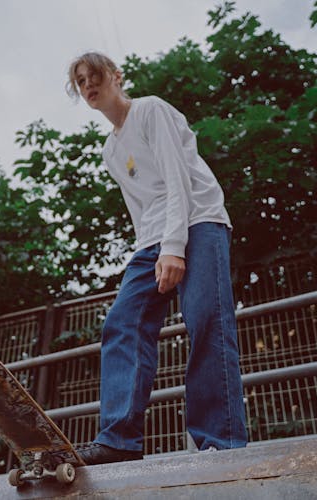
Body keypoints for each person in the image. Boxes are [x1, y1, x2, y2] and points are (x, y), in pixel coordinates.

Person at [65, 52, 247, 465]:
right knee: (122, 321)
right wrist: (149, 248)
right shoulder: (110, 150)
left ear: (116, 76)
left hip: (198, 221)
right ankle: (118, 440)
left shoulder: (150, 110)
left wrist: (173, 247)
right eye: (80, 81)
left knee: (206, 320)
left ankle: (220, 441)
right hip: (151, 239)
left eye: (95, 75)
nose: (90, 85)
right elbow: (140, 207)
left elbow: (177, 177)